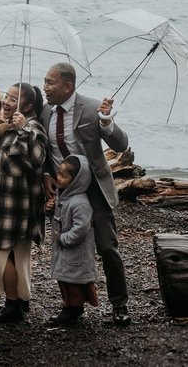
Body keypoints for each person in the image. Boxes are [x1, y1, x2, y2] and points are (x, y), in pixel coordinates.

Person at [42, 61, 131, 326]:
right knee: (66, 247)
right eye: (45, 81)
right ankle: (72, 307)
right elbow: (48, 151)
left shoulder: (92, 108)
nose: (45, 87)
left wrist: (106, 121)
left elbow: (121, 144)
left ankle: (120, 305)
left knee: (107, 247)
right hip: (64, 188)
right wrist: (47, 174)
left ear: (68, 86)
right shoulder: (46, 111)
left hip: (95, 190)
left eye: (50, 82)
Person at [0, 82, 47, 323]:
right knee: (16, 254)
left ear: (27, 106)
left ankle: (13, 305)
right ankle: (19, 299)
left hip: (21, 204)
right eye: (7, 96)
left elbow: (37, 159)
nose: (6, 102)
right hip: (7, 201)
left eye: (13, 98)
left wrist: (22, 130)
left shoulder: (32, 127)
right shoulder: (10, 126)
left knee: (1, 252)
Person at [49, 155, 99, 326]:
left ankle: (73, 308)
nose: (58, 178)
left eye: (64, 176)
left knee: (74, 282)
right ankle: (69, 305)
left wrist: (63, 238)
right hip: (63, 249)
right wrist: (48, 210)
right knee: (64, 279)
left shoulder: (80, 203)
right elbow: (57, 218)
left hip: (75, 250)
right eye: (58, 173)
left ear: (77, 180)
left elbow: (81, 229)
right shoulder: (62, 196)